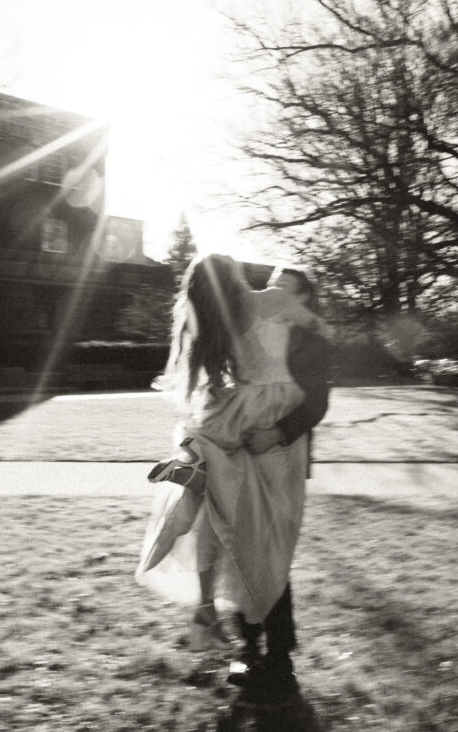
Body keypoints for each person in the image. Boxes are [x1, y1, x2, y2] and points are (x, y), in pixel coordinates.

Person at [135, 254, 327, 652]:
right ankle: (255, 639)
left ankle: (197, 468)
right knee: (256, 534)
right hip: (271, 406)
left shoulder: (213, 317)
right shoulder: (268, 301)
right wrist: (308, 321)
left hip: (232, 412)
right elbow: (318, 326)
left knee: (220, 515)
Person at [227, 267, 330, 698]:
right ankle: (249, 646)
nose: (271, 294)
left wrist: (277, 433)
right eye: (269, 286)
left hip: (284, 453)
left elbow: (317, 403)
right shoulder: (249, 329)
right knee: (243, 543)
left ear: (304, 298)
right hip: (242, 448)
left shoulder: (313, 338)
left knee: (273, 550)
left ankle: (279, 654)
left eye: (284, 288)